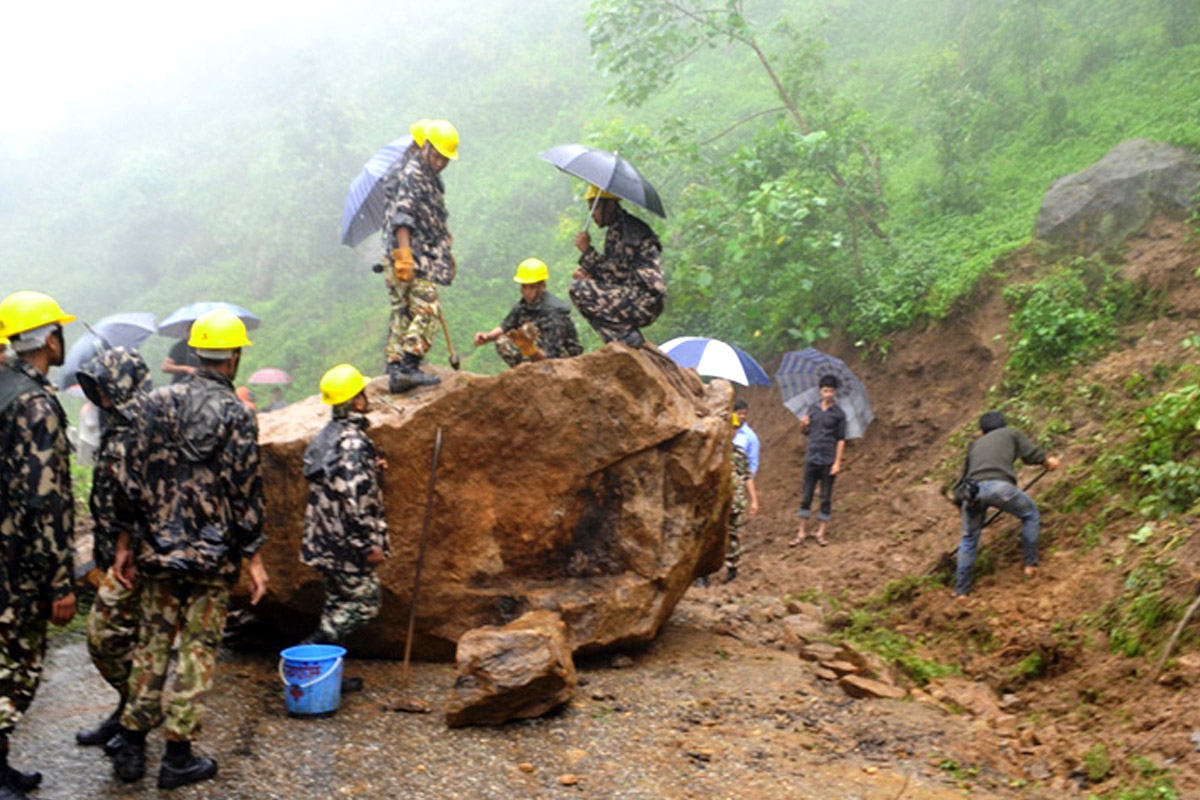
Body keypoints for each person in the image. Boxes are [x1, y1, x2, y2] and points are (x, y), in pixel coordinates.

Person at [111, 309, 268, 790]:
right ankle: (177, 756)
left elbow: (129, 476)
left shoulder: (154, 403)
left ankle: (132, 746)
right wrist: (254, 558)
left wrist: (123, 543)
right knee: (198, 651)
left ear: (197, 353)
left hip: (157, 549)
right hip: (212, 558)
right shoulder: (238, 414)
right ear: (234, 356)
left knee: (152, 645)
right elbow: (246, 489)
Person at [0, 291, 78, 799]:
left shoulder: (4, 389)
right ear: (49, 339)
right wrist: (59, 582)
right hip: (22, 564)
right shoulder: (35, 403)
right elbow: (42, 500)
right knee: (17, 671)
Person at [72, 346, 151, 756]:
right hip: (113, 554)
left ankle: (136, 727)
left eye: (104, 385)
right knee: (125, 642)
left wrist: (132, 547)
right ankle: (126, 713)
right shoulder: (118, 424)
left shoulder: (147, 425)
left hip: (139, 560)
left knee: (104, 638)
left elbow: (150, 498)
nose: (98, 395)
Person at [299, 365, 389, 690]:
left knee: (337, 603)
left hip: (322, 541)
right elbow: (354, 498)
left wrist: (371, 468)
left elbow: (337, 480)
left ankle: (325, 675)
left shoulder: (328, 437)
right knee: (365, 602)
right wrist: (368, 544)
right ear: (355, 402)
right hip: (345, 545)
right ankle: (310, 650)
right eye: (362, 393)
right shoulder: (353, 442)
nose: (366, 398)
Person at [381, 118, 460, 392]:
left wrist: (445, 241)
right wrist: (404, 255)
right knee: (428, 307)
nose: (439, 162)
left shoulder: (430, 177)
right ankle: (409, 365)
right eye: (436, 156)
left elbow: (432, 215)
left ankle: (395, 369)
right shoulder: (414, 173)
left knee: (402, 311)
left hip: (422, 254)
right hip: (413, 255)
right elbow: (403, 215)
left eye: (445, 159)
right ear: (426, 148)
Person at [954, 411, 1061, 597]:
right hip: (1000, 488)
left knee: (969, 538)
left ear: (981, 431)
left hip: (972, 492)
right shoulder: (1011, 433)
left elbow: (962, 481)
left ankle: (961, 592)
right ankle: (1030, 566)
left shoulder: (974, 446)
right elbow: (1030, 454)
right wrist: (1047, 461)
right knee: (1029, 515)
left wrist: (961, 503)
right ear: (1002, 425)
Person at [569, 185, 665, 348]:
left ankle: (626, 339)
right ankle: (624, 339)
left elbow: (614, 277)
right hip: (638, 297)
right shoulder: (620, 228)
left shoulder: (625, 231)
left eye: (595, 209)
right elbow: (615, 274)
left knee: (579, 290)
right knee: (584, 287)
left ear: (611, 205)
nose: (592, 216)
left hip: (644, 300)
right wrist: (590, 275)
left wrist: (586, 251)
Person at [473, 258, 583, 367]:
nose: (527, 292)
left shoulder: (555, 312)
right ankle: (529, 374)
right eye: (524, 287)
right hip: (539, 354)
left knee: (527, 329)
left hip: (565, 361)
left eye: (532, 287)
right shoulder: (524, 305)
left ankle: (541, 376)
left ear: (542, 287)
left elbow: (552, 355)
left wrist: (530, 349)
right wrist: (487, 337)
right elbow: (505, 326)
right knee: (503, 342)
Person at [789, 374, 846, 547]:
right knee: (806, 495)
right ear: (820, 391)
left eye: (831, 391)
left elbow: (841, 440)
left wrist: (837, 462)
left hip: (828, 459)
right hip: (812, 457)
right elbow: (805, 432)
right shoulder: (812, 409)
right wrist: (803, 424)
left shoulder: (839, 414)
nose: (828, 394)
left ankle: (821, 533)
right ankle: (801, 532)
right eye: (825, 390)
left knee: (825, 497)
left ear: (834, 392)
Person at [725, 400, 760, 583]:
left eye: (736, 429)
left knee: (734, 536)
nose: (734, 432)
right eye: (731, 427)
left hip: (736, 501)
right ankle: (704, 575)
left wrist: (754, 500)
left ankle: (732, 570)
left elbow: (747, 476)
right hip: (718, 501)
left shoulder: (739, 454)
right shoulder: (715, 451)